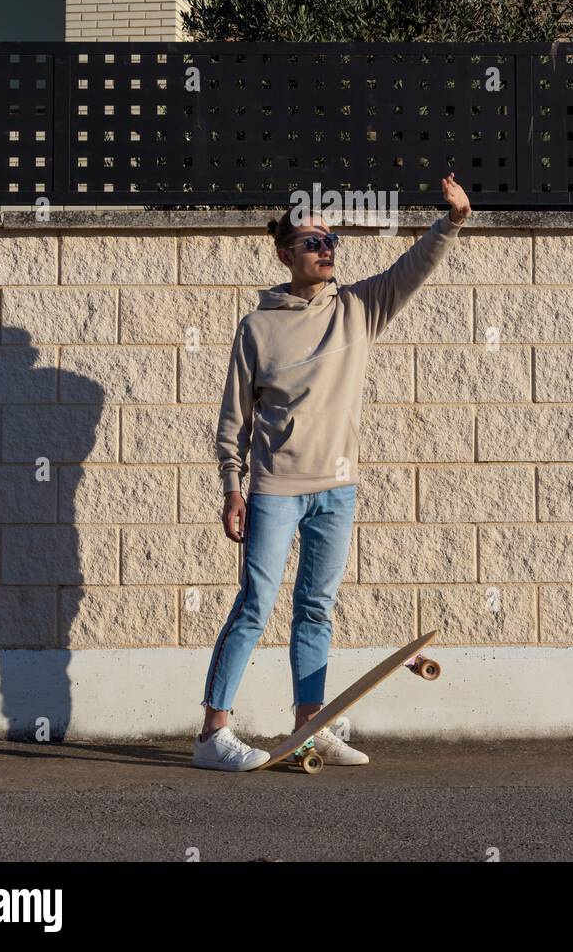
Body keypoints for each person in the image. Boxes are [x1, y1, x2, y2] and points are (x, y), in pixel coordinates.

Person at [192, 174, 471, 771]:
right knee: (255, 605)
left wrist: (450, 222)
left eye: (332, 238)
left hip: (337, 491)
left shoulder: (358, 309)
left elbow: (411, 268)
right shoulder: (257, 327)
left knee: (316, 607)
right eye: (312, 239)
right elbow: (231, 420)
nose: (326, 248)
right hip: (273, 491)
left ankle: (308, 727)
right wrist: (232, 489)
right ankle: (213, 734)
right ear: (284, 251)